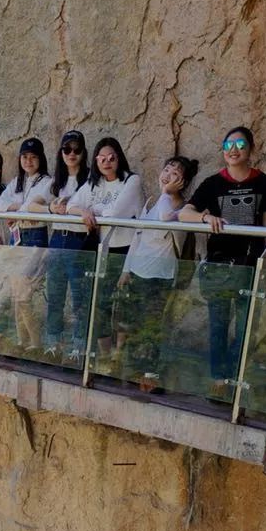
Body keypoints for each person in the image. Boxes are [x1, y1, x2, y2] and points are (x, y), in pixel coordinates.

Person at [179, 126, 266, 390]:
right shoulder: (213, 183)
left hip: (251, 263)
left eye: (240, 144)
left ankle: (235, 374)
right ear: (222, 150)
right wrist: (204, 217)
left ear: (251, 149)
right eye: (228, 145)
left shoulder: (264, 182)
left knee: (247, 327)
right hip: (219, 264)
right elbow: (183, 214)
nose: (233, 150)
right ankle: (218, 379)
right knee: (218, 326)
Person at [116, 156, 199, 382]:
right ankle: (132, 368)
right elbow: (138, 237)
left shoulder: (181, 208)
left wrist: (166, 192)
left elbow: (165, 219)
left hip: (160, 275)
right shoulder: (153, 200)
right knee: (134, 322)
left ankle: (149, 373)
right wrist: (126, 270)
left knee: (152, 326)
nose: (167, 175)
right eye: (166, 169)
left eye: (174, 174)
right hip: (138, 271)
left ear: (183, 181)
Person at [65, 136, 144, 356]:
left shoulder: (131, 180)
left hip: (128, 250)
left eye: (111, 158)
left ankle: (120, 357)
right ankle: (106, 357)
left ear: (119, 158)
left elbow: (115, 213)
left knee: (124, 306)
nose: (106, 163)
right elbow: (71, 205)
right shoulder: (92, 183)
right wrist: (83, 211)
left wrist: (94, 210)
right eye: (101, 159)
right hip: (103, 250)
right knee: (100, 304)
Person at [0, 138, 52, 350]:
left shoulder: (47, 182)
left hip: (35, 236)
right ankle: (22, 340)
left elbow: (32, 205)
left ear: (40, 159)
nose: (28, 161)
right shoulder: (17, 181)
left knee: (23, 292)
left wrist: (16, 209)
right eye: (25, 157)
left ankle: (35, 342)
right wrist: (17, 208)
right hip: (17, 237)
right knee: (17, 291)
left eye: (33, 157)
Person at [45, 130, 93, 359]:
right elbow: (29, 204)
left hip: (78, 239)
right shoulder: (56, 181)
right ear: (61, 153)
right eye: (67, 149)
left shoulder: (92, 179)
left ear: (84, 153)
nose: (71, 154)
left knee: (79, 297)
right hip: (57, 238)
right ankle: (53, 343)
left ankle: (79, 346)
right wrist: (50, 208)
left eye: (76, 149)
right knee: (54, 295)